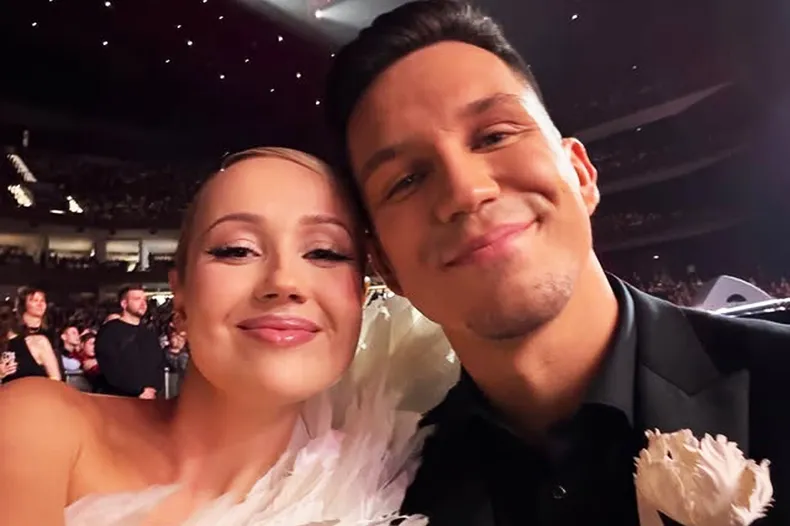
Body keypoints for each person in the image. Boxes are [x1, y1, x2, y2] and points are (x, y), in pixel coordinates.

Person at [324, 1, 790, 524]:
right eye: (407, 180)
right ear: (385, 265)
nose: (466, 191)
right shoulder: (386, 493)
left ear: (581, 174)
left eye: (495, 136)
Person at [0, 147, 449, 525]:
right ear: (180, 295)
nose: (284, 281)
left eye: (324, 252)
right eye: (237, 250)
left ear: (360, 298)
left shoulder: (402, 471)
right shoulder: (41, 429)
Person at [94, 285, 164, 399]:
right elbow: (110, 367)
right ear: (124, 304)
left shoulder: (149, 333)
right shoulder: (109, 331)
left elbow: (158, 364)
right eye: (137, 299)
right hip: (119, 399)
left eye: (144, 300)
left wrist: (153, 388)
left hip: (150, 398)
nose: (143, 304)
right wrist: (139, 390)